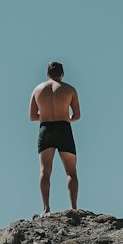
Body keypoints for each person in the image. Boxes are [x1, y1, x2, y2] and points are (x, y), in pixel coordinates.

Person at [29, 61, 81, 213]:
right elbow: (77, 115)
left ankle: (46, 208)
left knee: (45, 171)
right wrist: (66, 117)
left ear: (47, 74)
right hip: (63, 128)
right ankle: (73, 207)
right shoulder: (69, 89)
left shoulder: (37, 90)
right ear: (62, 74)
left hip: (46, 128)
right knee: (71, 172)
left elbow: (32, 116)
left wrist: (46, 116)